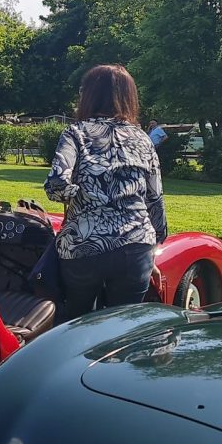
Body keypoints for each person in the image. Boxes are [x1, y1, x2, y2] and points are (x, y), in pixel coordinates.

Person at [44, 64, 167, 320]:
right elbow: (155, 198)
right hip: (135, 247)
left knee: (75, 323)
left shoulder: (75, 134)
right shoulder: (143, 139)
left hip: (83, 246)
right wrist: (155, 243)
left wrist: (80, 193)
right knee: (122, 328)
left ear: (87, 95)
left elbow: (57, 184)